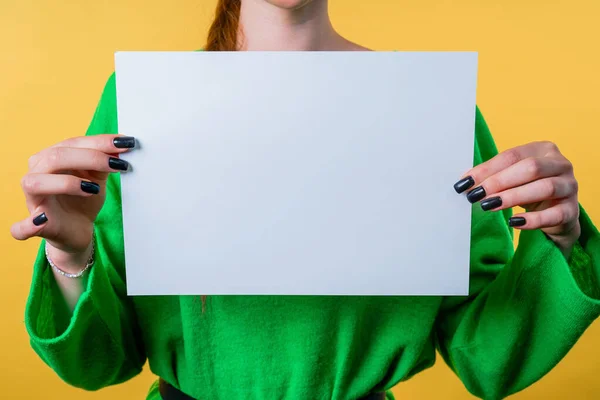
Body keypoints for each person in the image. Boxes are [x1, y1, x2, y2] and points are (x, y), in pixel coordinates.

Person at [12, 0, 600, 399]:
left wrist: (559, 235)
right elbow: (97, 362)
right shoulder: (143, 101)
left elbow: (490, 357)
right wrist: (70, 254)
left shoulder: (429, 105)